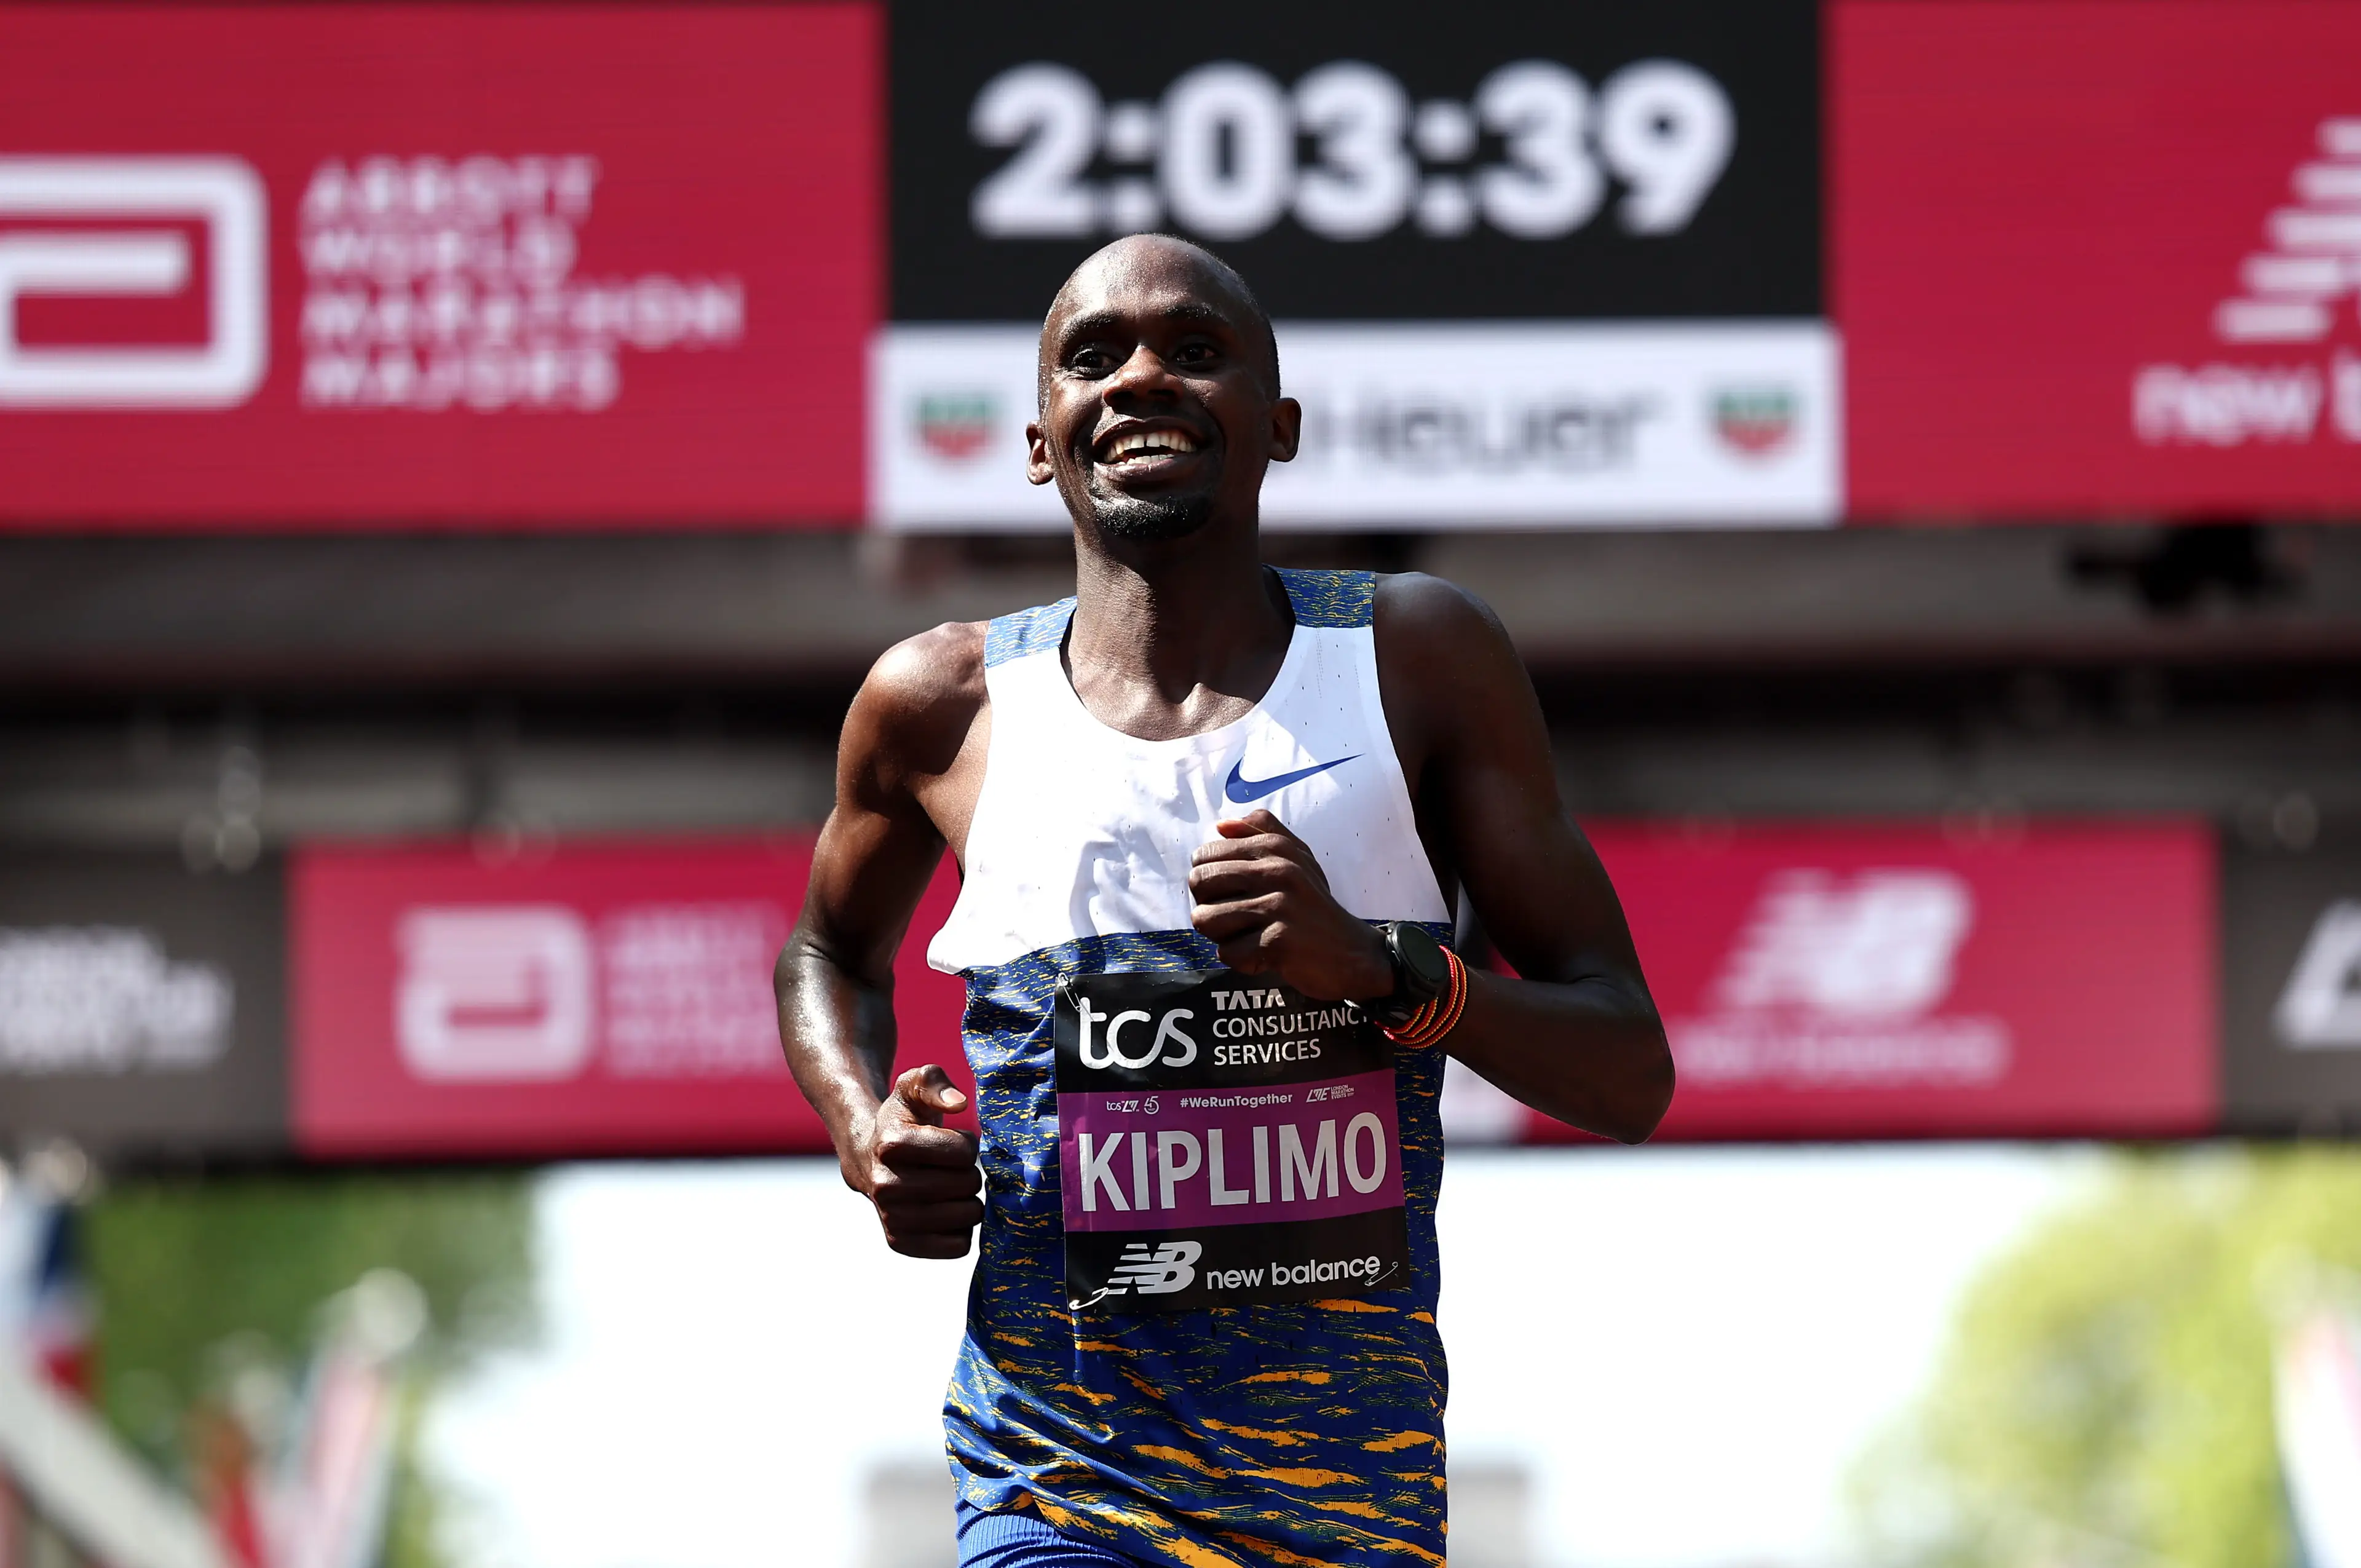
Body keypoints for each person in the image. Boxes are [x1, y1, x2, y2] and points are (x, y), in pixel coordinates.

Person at [777, 233, 1672, 1568]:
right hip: (1053, 1485)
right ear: (1040, 440)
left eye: (1195, 352)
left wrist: (1384, 970)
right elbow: (827, 951)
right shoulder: (940, 706)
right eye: (1096, 357)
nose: (1142, 379)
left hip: (1347, 1499)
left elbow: (1629, 1071)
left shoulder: (1418, 658)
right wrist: (867, 1134)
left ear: (1279, 425)